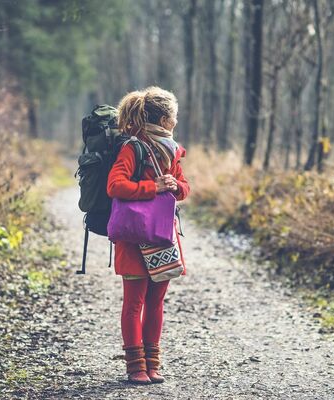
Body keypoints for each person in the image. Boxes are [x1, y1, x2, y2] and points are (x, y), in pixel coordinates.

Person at [106, 87, 190, 384]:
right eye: (174, 117)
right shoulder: (133, 147)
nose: (175, 123)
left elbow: (184, 187)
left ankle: (153, 365)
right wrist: (151, 188)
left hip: (162, 236)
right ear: (165, 118)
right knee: (134, 303)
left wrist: (174, 185)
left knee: (156, 302)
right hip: (133, 238)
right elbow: (115, 186)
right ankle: (135, 368)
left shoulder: (172, 150)